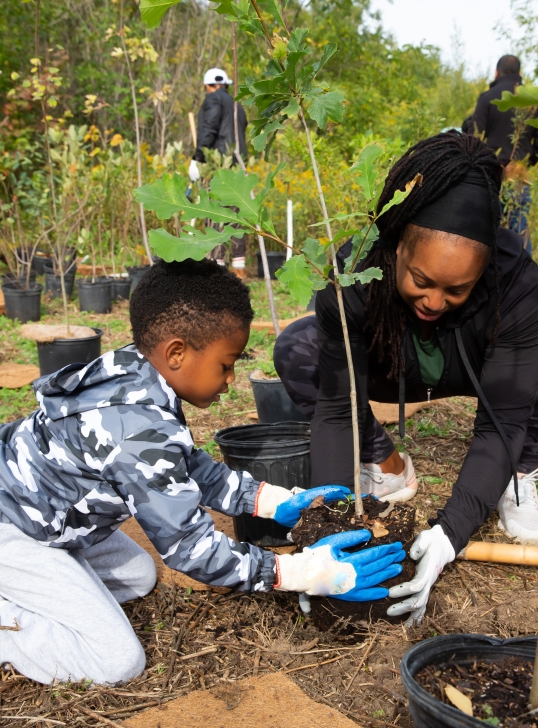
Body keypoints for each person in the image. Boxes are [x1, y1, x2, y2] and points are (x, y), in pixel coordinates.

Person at [274, 131, 538, 625]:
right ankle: (385, 461)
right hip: (394, 363)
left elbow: (501, 415)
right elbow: (337, 407)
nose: (435, 301)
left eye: (457, 288)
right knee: (298, 346)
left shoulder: (516, 281)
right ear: (395, 247)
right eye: (421, 280)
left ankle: (515, 474)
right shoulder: (352, 274)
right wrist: (324, 535)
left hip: (483, 364)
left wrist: (449, 533)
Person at [0, 260, 404, 685]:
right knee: (115, 661)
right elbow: (188, 549)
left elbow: (188, 468)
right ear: (176, 352)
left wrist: (274, 501)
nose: (231, 379)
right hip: (15, 530)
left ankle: (46, 587)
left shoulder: (141, 376)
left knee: (137, 576)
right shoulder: (134, 429)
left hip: (46, 515)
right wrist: (298, 572)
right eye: (225, 364)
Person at [469, 54, 538, 255]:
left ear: (497, 73)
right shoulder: (534, 103)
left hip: (489, 175)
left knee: (483, 232)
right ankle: (523, 281)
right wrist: (526, 162)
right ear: (520, 74)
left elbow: (474, 136)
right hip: (519, 176)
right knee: (518, 232)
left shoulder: (488, 98)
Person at [189, 68, 249, 275]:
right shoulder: (237, 105)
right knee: (236, 216)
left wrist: (197, 158)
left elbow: (209, 128)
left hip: (219, 166)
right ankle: (239, 270)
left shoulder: (213, 100)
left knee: (215, 213)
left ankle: (216, 270)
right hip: (238, 166)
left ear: (208, 86)